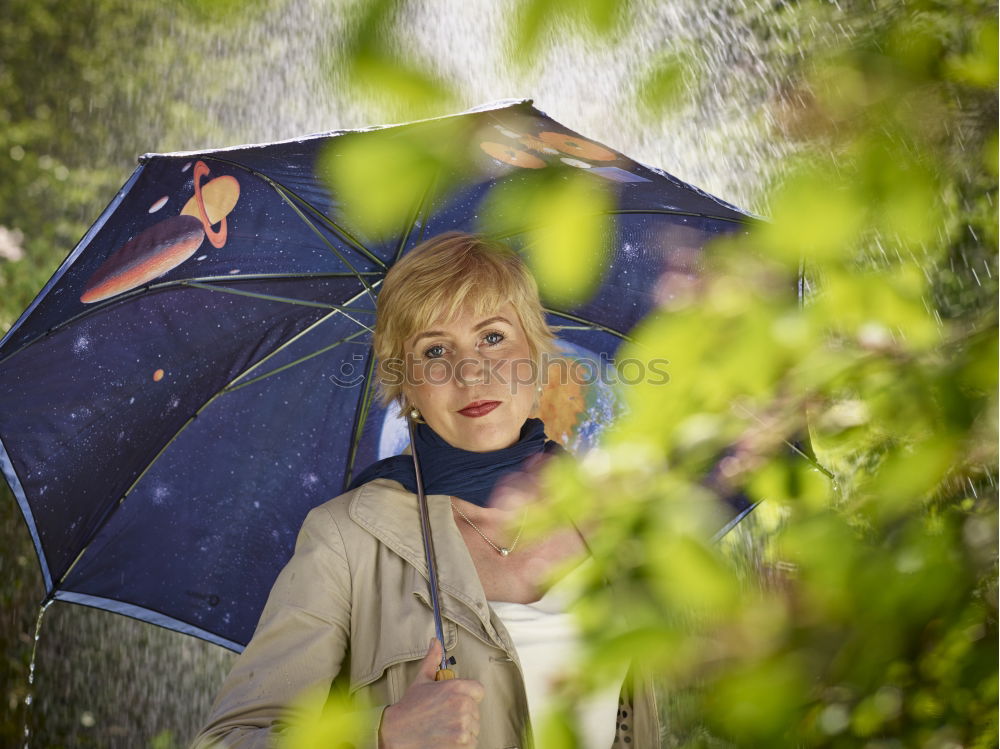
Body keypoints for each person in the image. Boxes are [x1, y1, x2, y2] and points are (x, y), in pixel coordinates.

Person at [190, 232, 659, 748]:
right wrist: (383, 736)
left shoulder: (612, 522)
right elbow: (228, 740)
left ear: (538, 355)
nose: (470, 370)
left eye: (494, 337)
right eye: (435, 350)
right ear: (407, 385)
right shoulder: (346, 541)